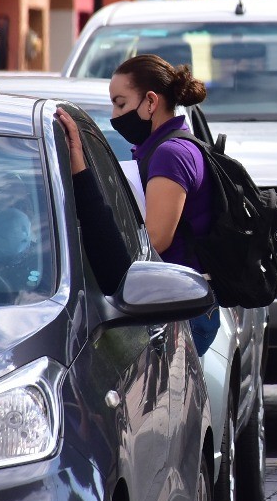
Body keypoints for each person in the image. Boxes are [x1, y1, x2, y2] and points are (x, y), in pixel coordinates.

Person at [56, 54, 221, 355]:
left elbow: (155, 239)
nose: (114, 115)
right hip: (176, 304)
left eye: (120, 104)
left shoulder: (170, 154)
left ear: (150, 102)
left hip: (179, 310)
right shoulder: (162, 148)